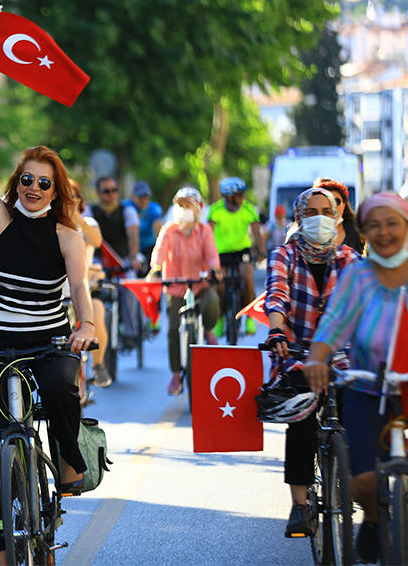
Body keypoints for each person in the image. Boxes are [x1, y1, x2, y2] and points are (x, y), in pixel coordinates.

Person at [0, 82, 93, 565]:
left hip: (48, 340)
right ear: (17, 183)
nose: (33, 188)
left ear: (57, 189)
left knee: (61, 386)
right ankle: (4, 539)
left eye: (44, 183)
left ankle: (68, 460)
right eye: (27, 180)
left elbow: (81, 290)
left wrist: (86, 324)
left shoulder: (68, 236)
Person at [305, 192, 408, 563]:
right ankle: (375, 516)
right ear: (362, 232)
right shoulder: (358, 276)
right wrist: (317, 357)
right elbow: (332, 326)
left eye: (392, 223)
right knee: (364, 480)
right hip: (368, 386)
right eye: (374, 225)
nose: (384, 232)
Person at [263, 187, 360, 537]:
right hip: (297, 353)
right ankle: (300, 505)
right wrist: (277, 333)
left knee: (359, 406)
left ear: (337, 217)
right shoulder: (283, 255)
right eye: (311, 211)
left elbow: (364, 305)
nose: (319, 217)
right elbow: (277, 297)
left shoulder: (351, 260)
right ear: (299, 218)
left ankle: (351, 479)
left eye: (326, 210)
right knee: (302, 420)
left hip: (344, 356)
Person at [148, 187, 221, 395]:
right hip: (175, 286)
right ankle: (175, 375)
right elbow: (159, 252)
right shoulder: (168, 230)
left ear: (197, 209)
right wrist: (156, 268)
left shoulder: (205, 230)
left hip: (200, 284)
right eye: (179, 205)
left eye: (187, 205)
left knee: (212, 301)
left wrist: (214, 269)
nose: (182, 209)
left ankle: (207, 330)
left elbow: (212, 256)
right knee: (172, 329)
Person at [86, 176, 143, 346]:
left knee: (130, 285)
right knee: (91, 286)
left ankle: (130, 332)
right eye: (106, 191)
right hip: (98, 259)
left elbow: (133, 234)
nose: (111, 194)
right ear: (98, 193)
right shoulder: (90, 212)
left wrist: (133, 257)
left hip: (124, 258)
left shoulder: (127, 210)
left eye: (114, 190)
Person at [208, 176, 267, 336]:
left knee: (247, 277)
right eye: (239, 194)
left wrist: (262, 250)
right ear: (229, 196)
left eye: (243, 194)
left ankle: (248, 318)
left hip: (242, 251)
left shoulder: (248, 208)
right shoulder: (216, 210)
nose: (242, 197)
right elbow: (208, 233)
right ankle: (220, 319)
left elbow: (256, 231)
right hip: (221, 254)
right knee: (219, 284)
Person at [69, 179, 111, 388]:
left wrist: (76, 217)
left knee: (97, 314)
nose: (69, 200)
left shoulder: (89, 223)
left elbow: (96, 242)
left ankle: (98, 364)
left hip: (87, 286)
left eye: (73, 195)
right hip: (62, 291)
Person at [312, 177, 366, 255]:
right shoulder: (304, 230)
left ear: (344, 205)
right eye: (326, 201)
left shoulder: (357, 226)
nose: (331, 205)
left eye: (336, 201)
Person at [124, 181, 163, 270]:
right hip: (128, 249)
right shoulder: (126, 207)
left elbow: (159, 234)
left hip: (149, 249)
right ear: (132, 196)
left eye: (147, 196)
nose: (144, 199)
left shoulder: (154, 209)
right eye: (140, 196)